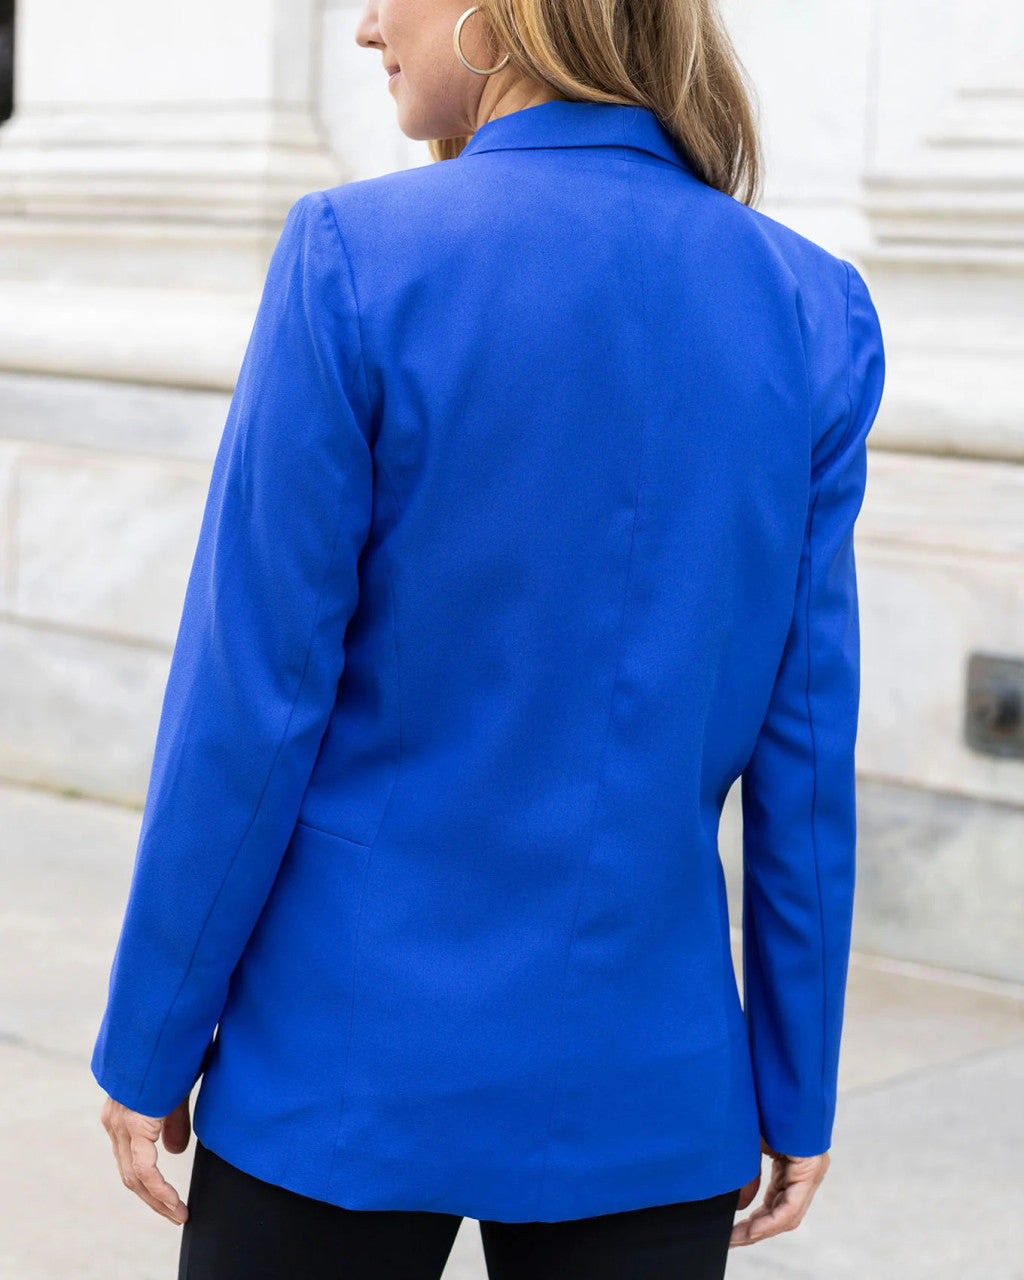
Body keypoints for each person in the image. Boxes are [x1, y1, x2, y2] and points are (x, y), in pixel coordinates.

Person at [90, 0, 886, 1273]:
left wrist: (151, 1034)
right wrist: (795, 1077)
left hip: (339, 1058)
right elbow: (804, 751)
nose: (360, 27)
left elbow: (252, 705)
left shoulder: (355, 252)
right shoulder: (812, 305)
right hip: (650, 1077)